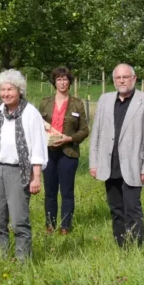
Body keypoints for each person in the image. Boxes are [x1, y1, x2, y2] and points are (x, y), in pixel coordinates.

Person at [89, 63, 144, 248]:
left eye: (125, 77)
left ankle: (136, 247)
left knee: (132, 208)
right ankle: (121, 245)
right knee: (116, 209)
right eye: (118, 78)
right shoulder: (105, 100)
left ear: (134, 79)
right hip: (109, 164)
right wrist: (94, 163)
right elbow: (96, 133)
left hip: (134, 166)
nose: (121, 81)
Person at [0, 69, 47, 262]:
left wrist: (36, 177)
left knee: (19, 220)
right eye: (2, 90)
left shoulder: (30, 113)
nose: (6, 93)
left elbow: (38, 146)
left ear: (19, 90)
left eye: (10, 89)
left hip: (18, 170)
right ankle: (0, 260)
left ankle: (22, 262)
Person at [39, 66, 90, 234]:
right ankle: (50, 226)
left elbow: (84, 130)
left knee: (67, 192)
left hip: (68, 152)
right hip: (48, 152)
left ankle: (65, 227)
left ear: (69, 82)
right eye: (59, 79)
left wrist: (69, 139)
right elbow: (37, 125)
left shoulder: (77, 103)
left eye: (65, 79)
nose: (62, 83)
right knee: (50, 191)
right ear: (54, 82)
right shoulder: (45, 102)